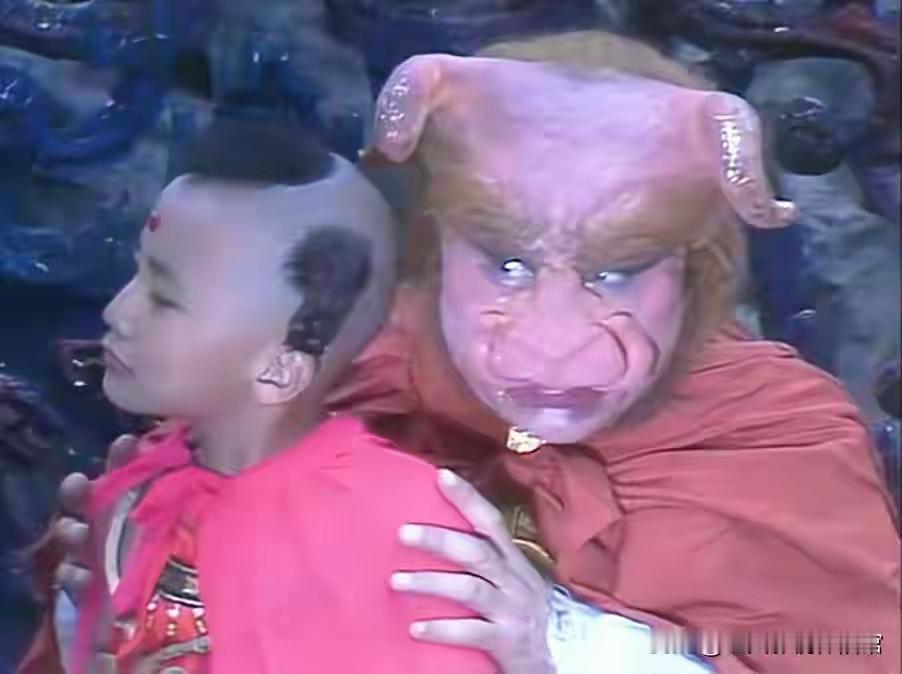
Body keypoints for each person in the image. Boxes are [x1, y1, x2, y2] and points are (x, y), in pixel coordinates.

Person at [44, 33, 900, 674]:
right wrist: (126, 582)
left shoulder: (778, 438)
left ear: (696, 274)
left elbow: (846, 652)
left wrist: (569, 645)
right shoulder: (326, 365)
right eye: (505, 264)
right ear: (433, 249)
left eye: (616, 272)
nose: (551, 345)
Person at [18, 115, 495, 674]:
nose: (116, 312)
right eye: (136, 273)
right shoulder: (138, 482)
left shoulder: (408, 537)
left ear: (281, 369)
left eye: (164, 297)